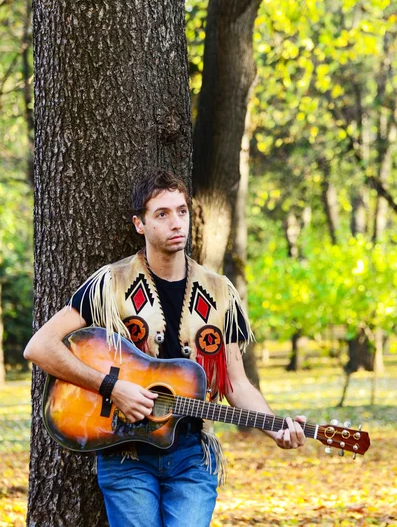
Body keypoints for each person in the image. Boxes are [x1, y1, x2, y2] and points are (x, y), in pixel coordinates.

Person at [24, 169, 306, 527]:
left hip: (193, 456)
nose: (177, 223)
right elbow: (40, 346)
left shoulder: (221, 293)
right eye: (162, 214)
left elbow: (236, 384)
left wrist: (275, 428)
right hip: (124, 453)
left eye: (182, 211)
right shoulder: (110, 285)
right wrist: (112, 387)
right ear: (139, 224)